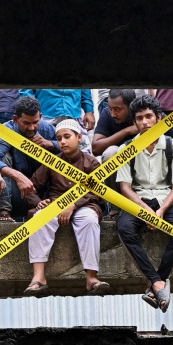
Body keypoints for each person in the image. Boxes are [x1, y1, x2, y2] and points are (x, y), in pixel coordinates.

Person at [114, 95, 173, 312]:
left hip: (166, 199)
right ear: (135, 122)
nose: (145, 122)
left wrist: (162, 209)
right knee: (125, 228)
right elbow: (125, 187)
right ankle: (158, 283)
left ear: (158, 118)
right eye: (140, 118)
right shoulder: (126, 149)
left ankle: (156, 283)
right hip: (138, 200)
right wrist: (147, 210)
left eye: (149, 116)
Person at [22, 119, 110, 295]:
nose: (62, 141)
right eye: (59, 138)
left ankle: (91, 277)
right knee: (39, 218)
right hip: (55, 205)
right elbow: (30, 187)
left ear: (79, 137)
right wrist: (38, 202)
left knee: (89, 220)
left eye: (67, 137)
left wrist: (73, 204)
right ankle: (38, 277)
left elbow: (98, 191)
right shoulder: (52, 162)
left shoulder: (91, 163)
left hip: (85, 205)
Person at [0, 95, 58, 222]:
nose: (31, 128)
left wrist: (50, 144)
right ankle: (3, 212)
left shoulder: (47, 129)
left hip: (45, 192)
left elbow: (74, 150)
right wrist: (17, 176)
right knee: (0, 158)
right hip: (16, 193)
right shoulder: (7, 130)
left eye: (35, 122)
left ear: (40, 117)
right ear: (15, 119)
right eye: (26, 123)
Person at [20, 89, 96, 131]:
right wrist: (34, 112)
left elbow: (85, 88)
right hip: (46, 116)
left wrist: (89, 111)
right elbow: (26, 90)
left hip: (74, 115)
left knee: (81, 153)